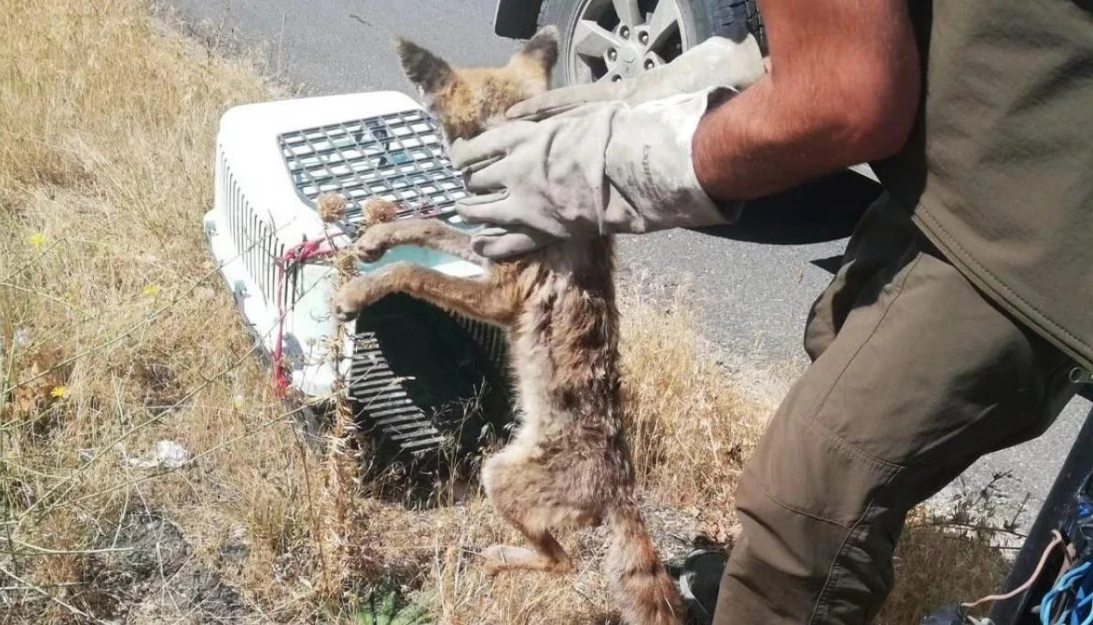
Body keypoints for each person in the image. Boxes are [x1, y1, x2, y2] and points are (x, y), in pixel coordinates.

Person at [448, 0, 1093, 623]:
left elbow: (844, 103)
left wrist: (620, 164)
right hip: (969, 154)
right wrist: (694, 84)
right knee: (838, 341)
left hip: (1041, 216)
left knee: (804, 499)